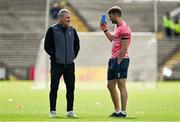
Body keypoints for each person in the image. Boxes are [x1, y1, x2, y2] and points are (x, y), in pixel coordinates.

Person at [44, 9, 80, 118]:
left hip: (69, 65)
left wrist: (72, 56)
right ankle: (53, 111)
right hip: (56, 64)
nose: (69, 19)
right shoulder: (52, 30)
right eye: (67, 17)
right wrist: (55, 56)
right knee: (54, 87)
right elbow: (47, 46)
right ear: (60, 18)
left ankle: (70, 111)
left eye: (69, 17)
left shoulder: (72, 30)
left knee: (71, 88)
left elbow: (77, 46)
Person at [100, 6, 131, 118]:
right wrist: (105, 30)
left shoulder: (124, 28)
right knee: (110, 85)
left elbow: (124, 48)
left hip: (121, 59)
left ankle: (123, 111)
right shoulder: (117, 27)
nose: (109, 18)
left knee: (121, 85)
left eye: (110, 16)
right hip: (113, 59)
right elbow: (113, 40)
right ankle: (117, 110)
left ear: (116, 14)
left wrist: (118, 62)